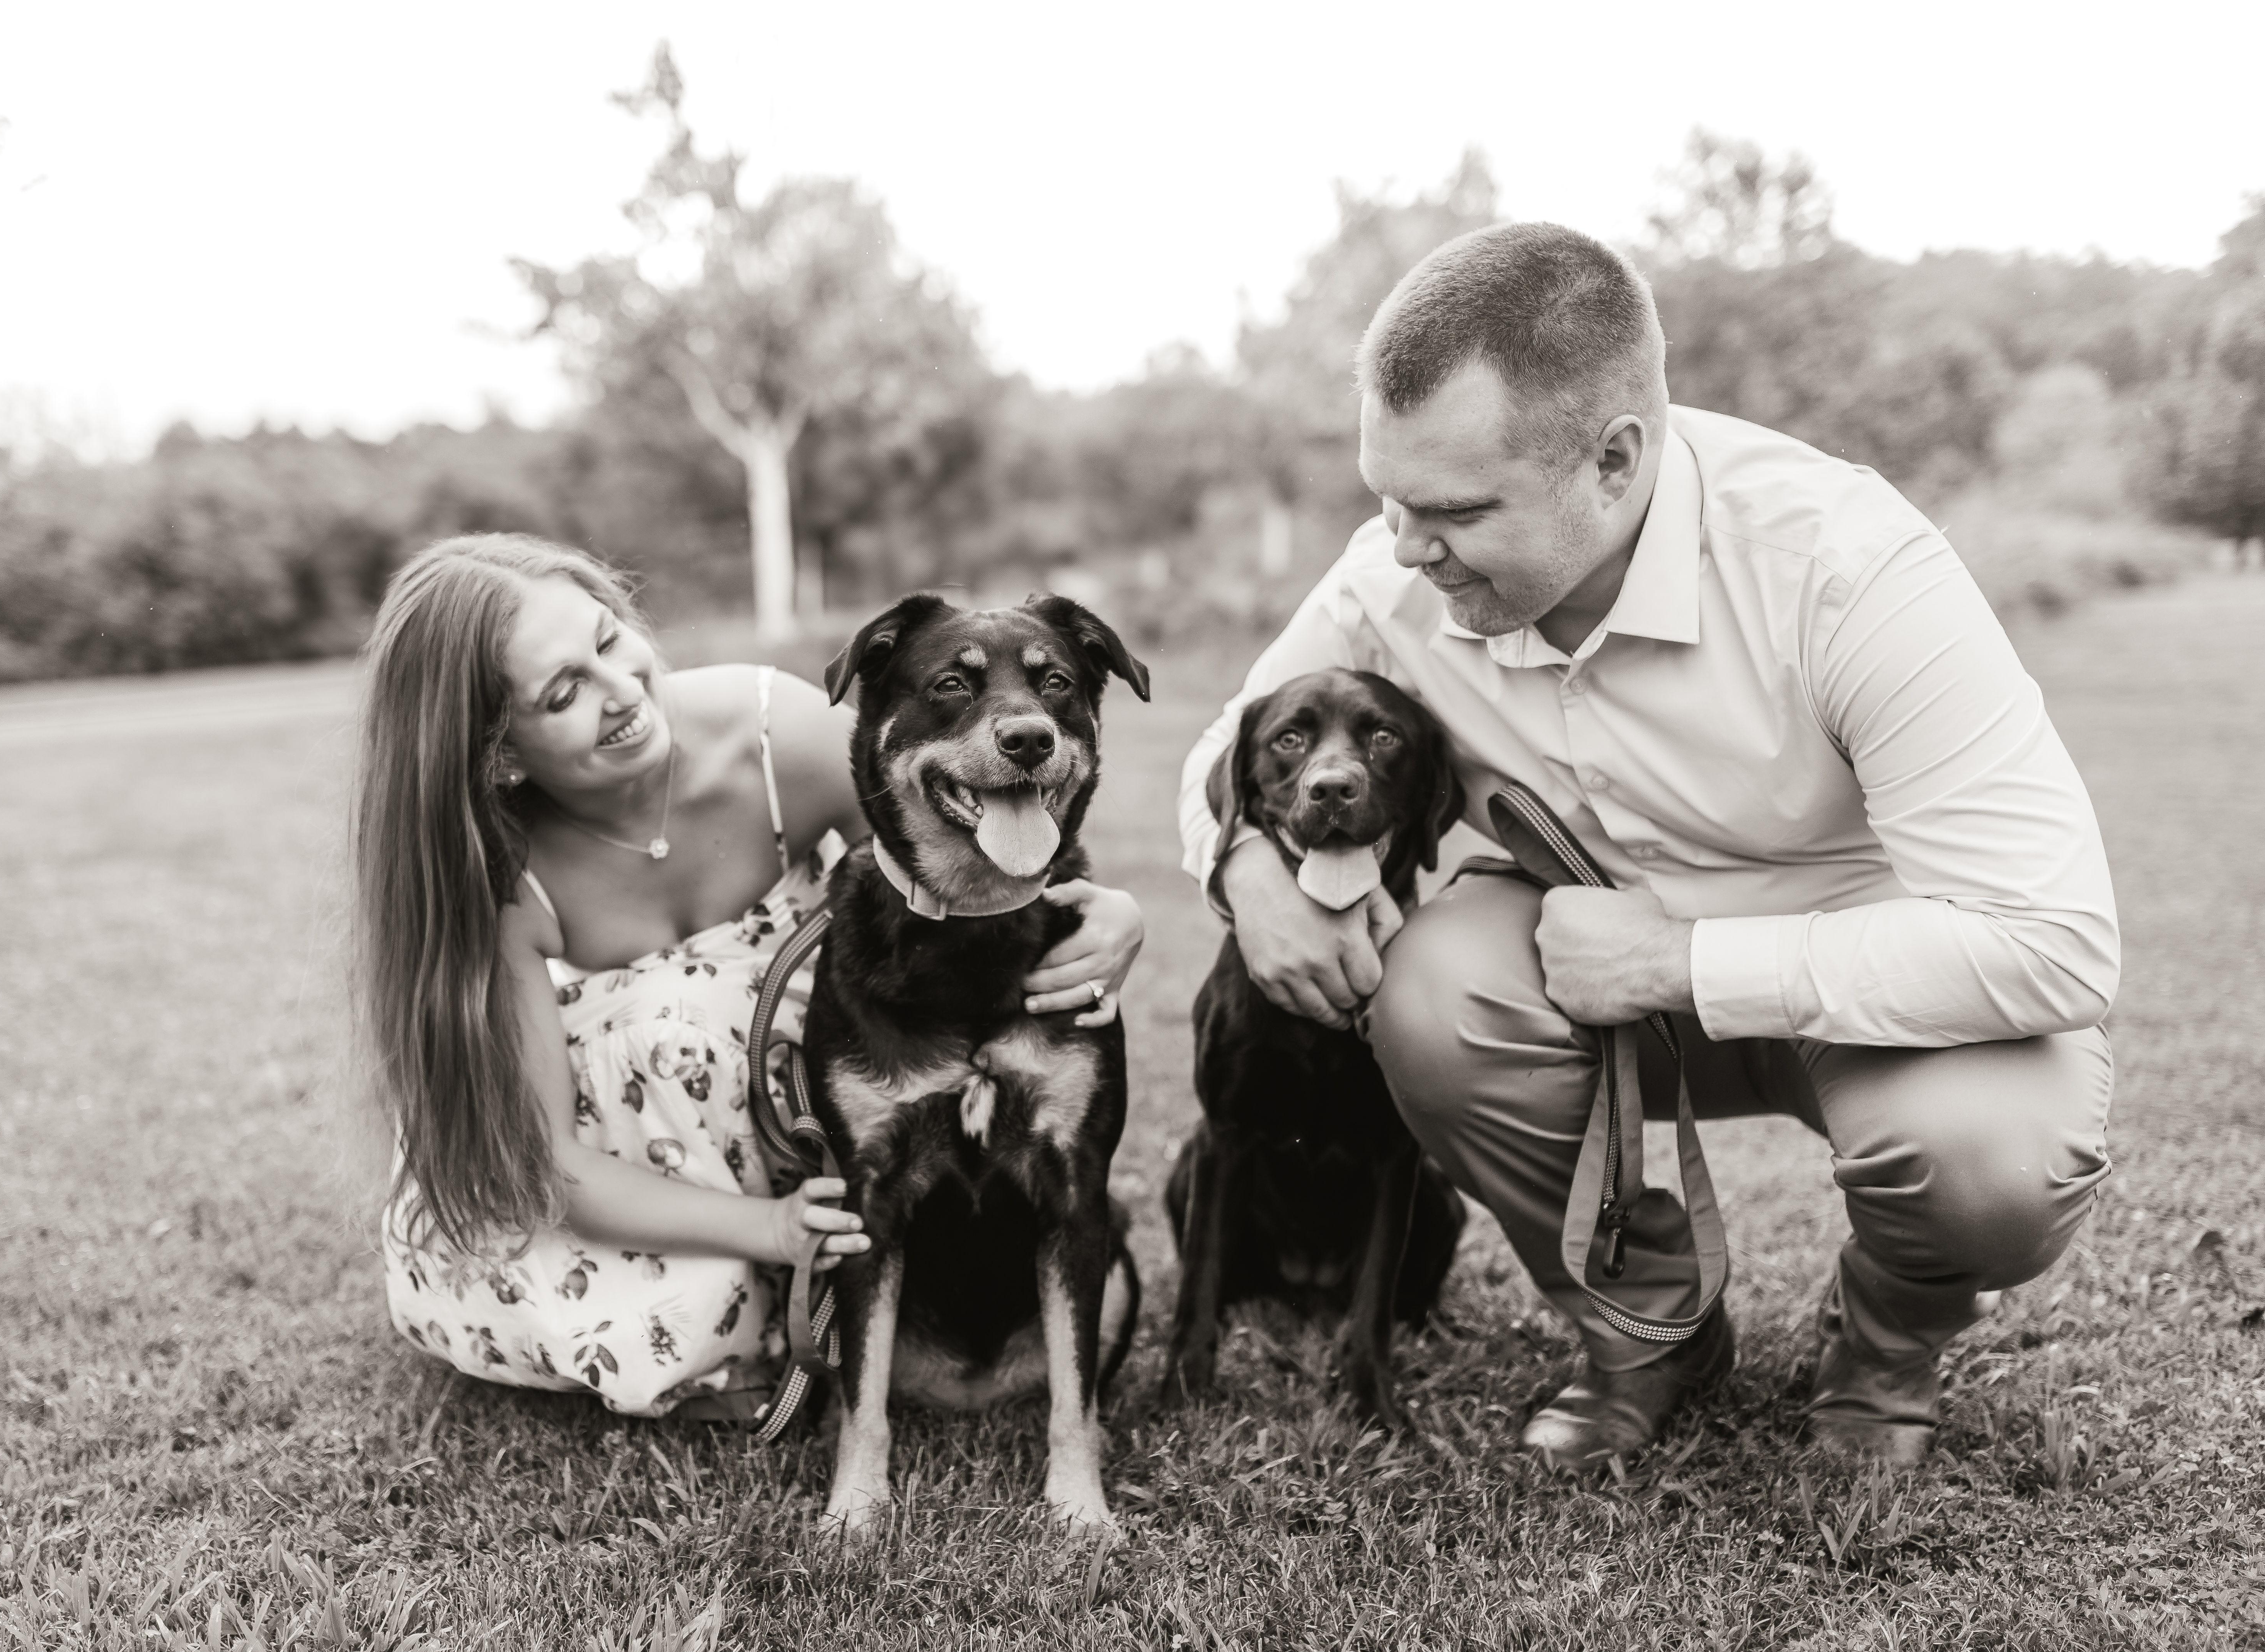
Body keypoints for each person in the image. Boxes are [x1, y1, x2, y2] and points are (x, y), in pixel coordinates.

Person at [1179, 224, 2116, 1470]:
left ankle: (1886, 1346)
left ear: (1615, 460)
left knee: (1995, 1163)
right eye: (1387, 499)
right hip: (1578, 982)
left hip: (1876, 987)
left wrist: (1680, 959)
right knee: (1428, 993)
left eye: (1453, 510)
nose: (1405, 546)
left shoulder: (1844, 567)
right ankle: (1649, 1330)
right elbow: (1221, 752)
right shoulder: (1394, 580)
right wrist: (1245, 872)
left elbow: (2052, 943)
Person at [354, 534, 1145, 1420]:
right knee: (642, 1323)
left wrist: (1109, 912)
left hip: (825, 1152)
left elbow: (963, 857)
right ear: (497, 749)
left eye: (609, 641)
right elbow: (554, 1166)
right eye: (564, 693)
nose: (621, 692)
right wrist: (771, 1230)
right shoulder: (503, 881)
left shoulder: (774, 736)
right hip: (630, 1190)